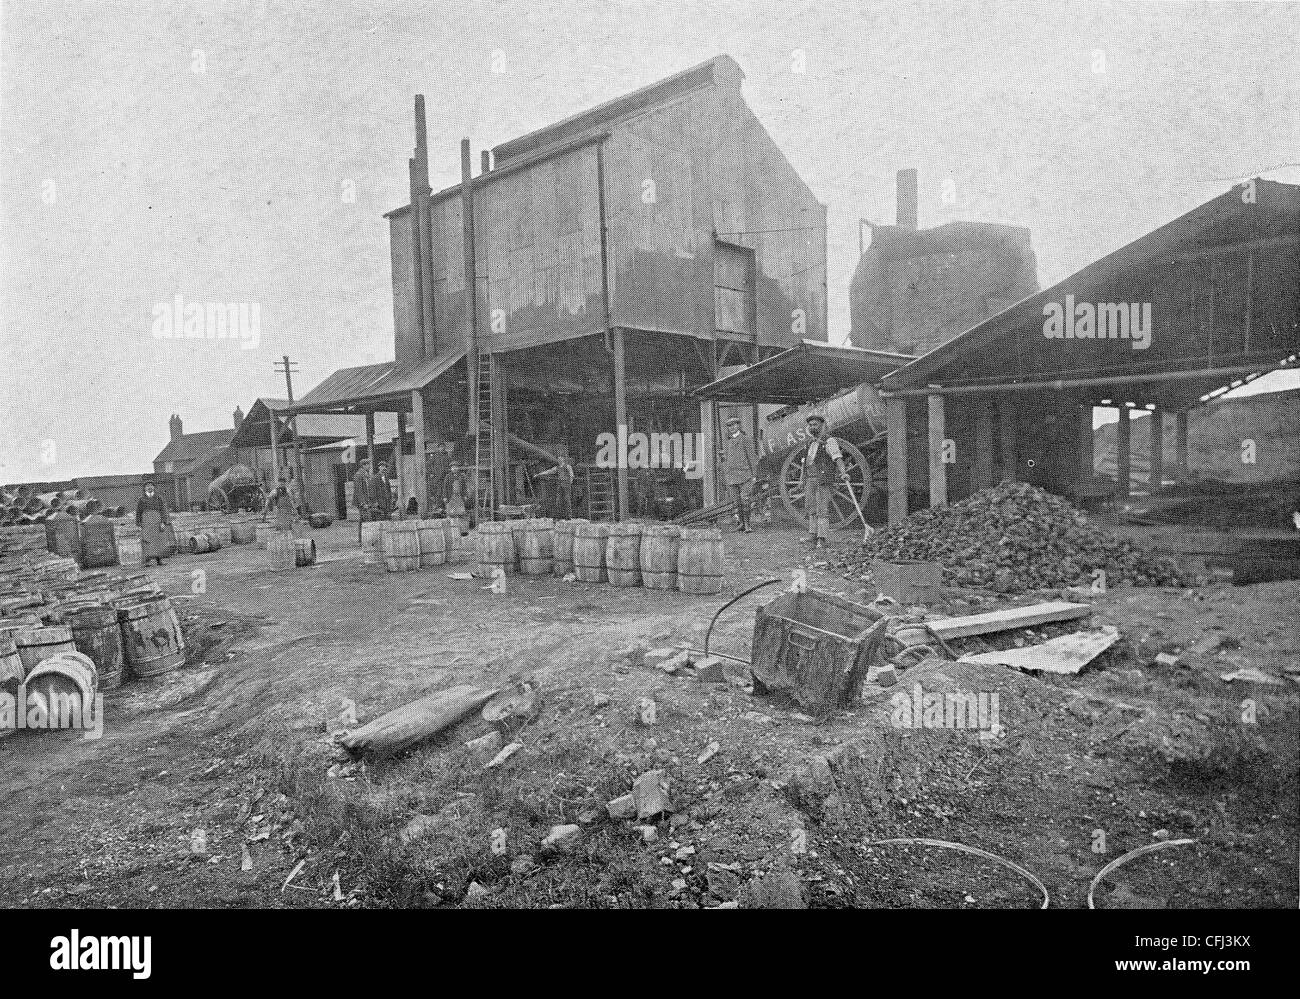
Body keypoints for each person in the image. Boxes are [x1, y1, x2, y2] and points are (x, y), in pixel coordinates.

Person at [798, 413, 850, 549]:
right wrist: (801, 479)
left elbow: (837, 457)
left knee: (822, 509)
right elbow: (805, 462)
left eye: (815, 424)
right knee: (811, 507)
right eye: (810, 425)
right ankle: (812, 535)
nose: (812, 427)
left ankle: (822, 538)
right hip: (810, 479)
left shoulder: (829, 441)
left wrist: (843, 473)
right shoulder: (809, 442)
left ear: (821, 425)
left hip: (823, 479)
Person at [721, 415, 759, 533]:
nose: (732, 428)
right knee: (736, 502)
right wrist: (726, 474)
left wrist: (754, 475)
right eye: (729, 426)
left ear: (738, 426)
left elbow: (752, 458)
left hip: (745, 475)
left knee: (745, 500)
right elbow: (726, 460)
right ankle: (741, 523)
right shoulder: (728, 442)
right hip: (732, 477)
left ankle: (748, 525)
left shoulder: (746, 439)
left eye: (734, 425)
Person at [135, 481, 171, 567]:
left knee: (159, 540)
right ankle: (147, 561)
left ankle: (159, 560)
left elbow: (163, 510)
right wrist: (139, 524)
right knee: (146, 541)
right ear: (144, 489)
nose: (149, 487)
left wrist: (163, 522)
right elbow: (138, 512)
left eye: (151, 486)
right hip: (146, 523)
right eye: (147, 486)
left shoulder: (159, 498)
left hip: (157, 522)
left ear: (154, 487)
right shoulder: (141, 499)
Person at [536, 446, 575, 519]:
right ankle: (558, 517)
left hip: (566, 484)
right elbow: (549, 471)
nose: (559, 460)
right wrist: (539, 474)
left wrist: (570, 482)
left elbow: (571, 475)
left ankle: (569, 516)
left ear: (563, 459)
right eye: (558, 459)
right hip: (560, 484)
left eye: (560, 458)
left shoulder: (568, 466)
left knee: (567, 500)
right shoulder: (557, 468)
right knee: (558, 501)